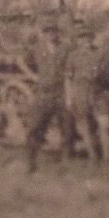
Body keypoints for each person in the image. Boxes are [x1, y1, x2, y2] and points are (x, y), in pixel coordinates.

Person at [26, 19, 72, 173]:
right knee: (35, 127)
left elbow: (70, 67)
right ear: (43, 34)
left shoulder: (65, 48)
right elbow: (25, 62)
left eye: (53, 32)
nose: (51, 35)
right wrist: (35, 78)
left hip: (60, 92)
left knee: (66, 128)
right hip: (44, 92)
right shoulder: (37, 49)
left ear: (57, 33)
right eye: (47, 32)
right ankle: (31, 163)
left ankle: (65, 162)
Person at [66, 27, 109, 164]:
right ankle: (92, 157)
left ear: (91, 39)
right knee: (83, 126)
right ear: (78, 41)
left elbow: (108, 73)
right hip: (80, 92)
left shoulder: (99, 54)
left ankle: (107, 159)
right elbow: (68, 78)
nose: (85, 41)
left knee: (105, 125)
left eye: (87, 38)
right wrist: (69, 98)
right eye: (82, 38)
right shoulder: (73, 56)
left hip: (99, 92)